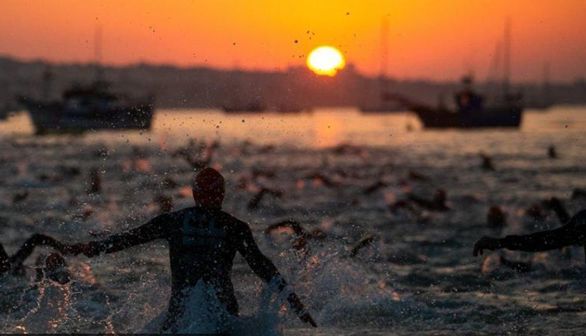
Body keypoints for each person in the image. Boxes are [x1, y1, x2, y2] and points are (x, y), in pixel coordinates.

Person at [70, 167, 317, 332]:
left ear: (194, 194)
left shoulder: (173, 221)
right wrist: (297, 306)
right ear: (222, 194)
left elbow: (129, 238)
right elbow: (264, 268)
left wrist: (92, 248)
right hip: (223, 317)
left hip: (181, 316)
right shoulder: (234, 226)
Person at [473, 209, 586, 261]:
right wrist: (500, 243)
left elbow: (545, 241)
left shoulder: (582, 221)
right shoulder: (582, 221)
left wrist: (500, 243)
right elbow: (546, 240)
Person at [1, 233, 71, 284]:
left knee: (44, 259)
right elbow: (36, 239)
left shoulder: (12, 264)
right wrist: (62, 248)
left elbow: (36, 239)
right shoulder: (12, 265)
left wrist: (62, 247)